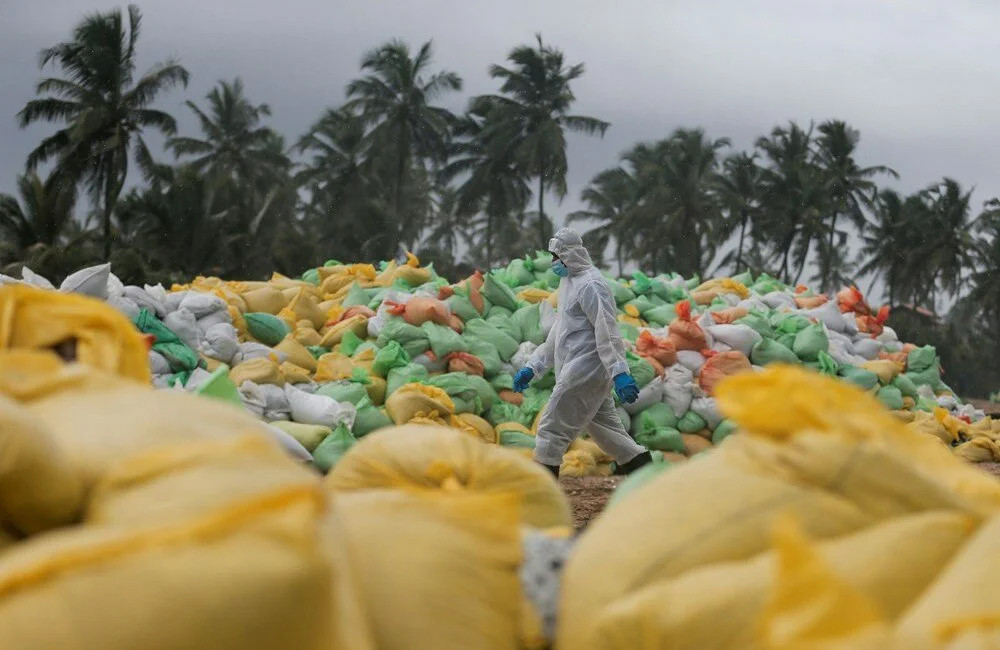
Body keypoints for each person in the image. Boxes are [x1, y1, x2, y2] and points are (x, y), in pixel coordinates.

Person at [513, 227, 653, 477]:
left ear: (571, 254)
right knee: (607, 432)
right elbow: (560, 330)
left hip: (587, 368)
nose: (553, 262)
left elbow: (607, 330)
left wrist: (619, 372)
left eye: (557, 256)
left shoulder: (592, 285)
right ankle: (646, 474)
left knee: (551, 427)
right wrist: (533, 366)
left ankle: (542, 499)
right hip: (576, 366)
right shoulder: (569, 282)